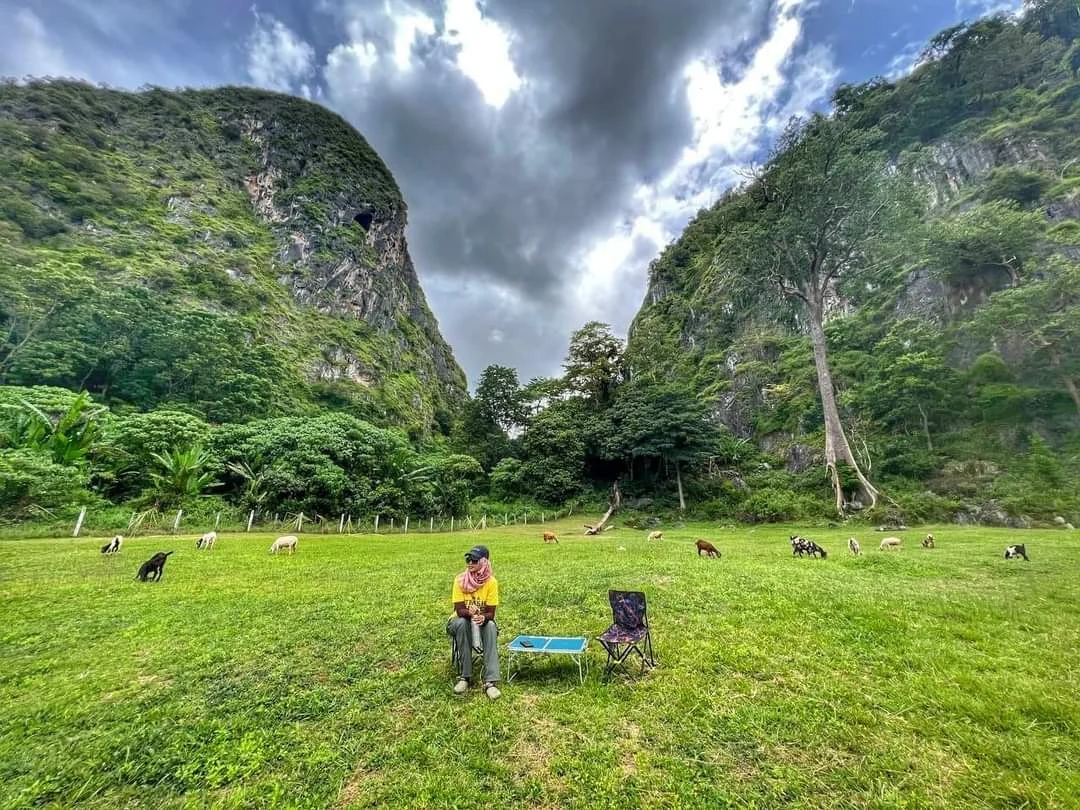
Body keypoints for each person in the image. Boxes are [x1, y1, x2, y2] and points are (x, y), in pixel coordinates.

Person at [447, 544, 501, 699]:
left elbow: (491, 613)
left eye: (474, 560)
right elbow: (458, 610)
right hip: (460, 620)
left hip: (481, 620)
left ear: (483, 562)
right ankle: (465, 677)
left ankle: (490, 681)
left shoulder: (491, 583)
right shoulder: (459, 580)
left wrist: (483, 617)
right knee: (462, 624)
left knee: (490, 626)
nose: (470, 563)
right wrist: (470, 614)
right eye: (468, 559)